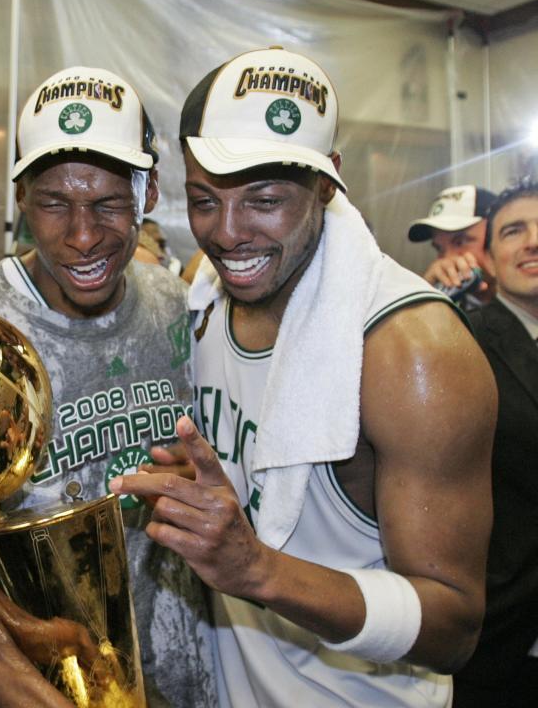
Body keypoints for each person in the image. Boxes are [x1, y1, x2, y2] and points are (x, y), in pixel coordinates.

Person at [111, 46, 497, 707]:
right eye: (204, 200)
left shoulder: (413, 353)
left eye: (264, 199)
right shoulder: (205, 293)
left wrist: (258, 569)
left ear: (327, 182)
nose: (227, 235)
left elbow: (452, 625)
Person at [0, 66, 220, 707]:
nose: (83, 236)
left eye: (107, 204)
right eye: (55, 204)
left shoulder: (174, 306)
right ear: (20, 199)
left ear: (147, 196)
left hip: (183, 681)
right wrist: (26, 678)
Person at [454, 177, 538, 707]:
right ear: (488, 255)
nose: (532, 241)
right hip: (505, 635)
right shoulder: (463, 341)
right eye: (514, 231)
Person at [408, 184, 497, 307]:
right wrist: (426, 299)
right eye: (439, 248)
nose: (447, 258)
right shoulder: (446, 304)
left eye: (460, 242)